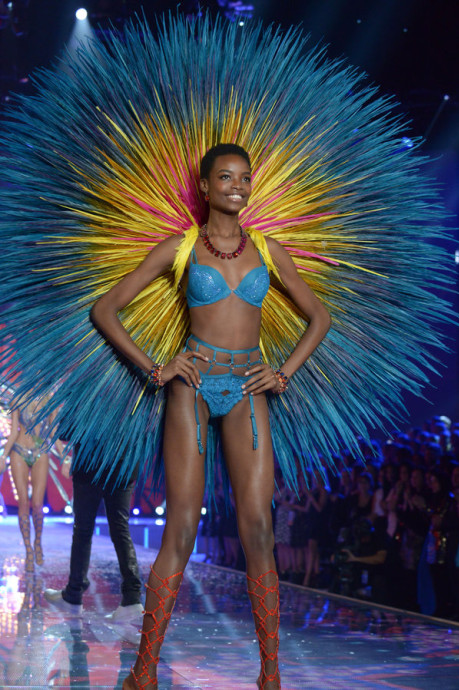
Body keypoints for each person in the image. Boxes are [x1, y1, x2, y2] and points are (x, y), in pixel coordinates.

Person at [90, 143, 331, 690]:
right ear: (204, 185)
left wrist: (284, 372)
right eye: (225, 177)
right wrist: (156, 368)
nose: (238, 187)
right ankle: (143, 672)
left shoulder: (268, 251)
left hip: (249, 387)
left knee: (259, 527)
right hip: (192, 391)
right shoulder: (180, 248)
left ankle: (271, 675)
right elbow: (105, 308)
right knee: (181, 525)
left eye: (245, 178)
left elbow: (320, 316)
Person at [43, 444, 143, 621]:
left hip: (91, 460)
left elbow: (67, 431)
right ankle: (132, 596)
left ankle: (74, 593)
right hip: (124, 461)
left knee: (83, 529)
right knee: (120, 528)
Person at [0, 393, 61, 572]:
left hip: (40, 451)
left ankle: (38, 542)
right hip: (18, 450)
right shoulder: (18, 398)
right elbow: (13, 433)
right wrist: (3, 456)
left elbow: (53, 433)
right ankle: (28, 550)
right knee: (23, 504)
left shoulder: (50, 399)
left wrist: (65, 458)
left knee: (37, 504)